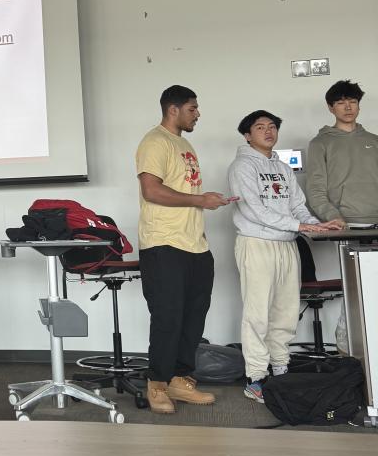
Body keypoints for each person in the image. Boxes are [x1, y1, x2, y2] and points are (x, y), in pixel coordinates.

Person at [228, 111, 342, 402]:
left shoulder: (282, 167)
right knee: (258, 314)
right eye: (260, 127)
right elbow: (255, 211)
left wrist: (316, 225)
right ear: (247, 135)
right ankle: (256, 378)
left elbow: (298, 206)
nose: (268, 131)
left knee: (286, 311)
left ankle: (280, 369)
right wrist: (300, 226)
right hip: (257, 243)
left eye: (272, 127)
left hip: (287, 244)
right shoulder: (242, 166)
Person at [135, 85, 233, 415]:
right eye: (193, 108)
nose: (198, 114)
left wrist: (204, 201)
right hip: (164, 243)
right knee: (168, 317)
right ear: (173, 109)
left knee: (193, 316)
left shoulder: (184, 144)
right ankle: (157, 384)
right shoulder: (155, 142)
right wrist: (200, 199)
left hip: (195, 245)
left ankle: (179, 379)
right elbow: (151, 191)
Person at [305, 80, 378, 226]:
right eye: (340, 103)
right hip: (343, 224)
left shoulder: (375, 141)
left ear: (359, 106)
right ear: (330, 108)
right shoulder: (319, 143)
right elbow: (315, 190)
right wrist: (334, 217)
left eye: (353, 102)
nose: (348, 107)